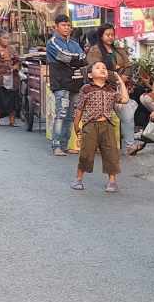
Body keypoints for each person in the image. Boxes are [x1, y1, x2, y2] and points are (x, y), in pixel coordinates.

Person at [71, 63, 127, 193]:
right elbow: (79, 109)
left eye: (104, 68)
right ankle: (78, 179)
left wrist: (119, 81)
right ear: (90, 75)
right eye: (98, 68)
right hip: (90, 125)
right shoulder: (86, 89)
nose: (102, 69)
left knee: (111, 153)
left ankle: (112, 181)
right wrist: (76, 126)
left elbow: (124, 99)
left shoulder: (111, 90)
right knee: (86, 153)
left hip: (107, 125)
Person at [46, 14, 84, 155]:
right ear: (56, 27)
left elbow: (83, 57)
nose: (67, 28)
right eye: (63, 25)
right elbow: (64, 56)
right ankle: (56, 146)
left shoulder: (74, 43)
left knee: (70, 115)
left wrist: (74, 59)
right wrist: (75, 59)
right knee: (61, 114)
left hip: (74, 82)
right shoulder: (52, 42)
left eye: (68, 25)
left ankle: (64, 145)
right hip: (60, 82)